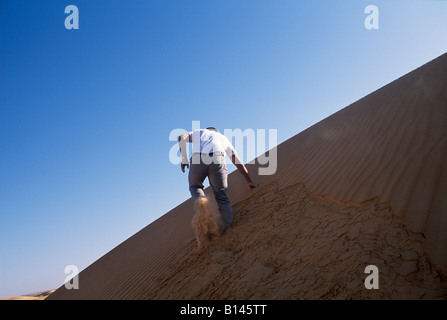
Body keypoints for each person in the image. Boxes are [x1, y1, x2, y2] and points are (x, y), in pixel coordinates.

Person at [178, 126, 256, 232]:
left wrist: (184, 158)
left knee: (194, 186)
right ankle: (225, 229)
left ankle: (201, 201)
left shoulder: (199, 132)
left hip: (198, 159)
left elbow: (181, 137)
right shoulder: (223, 138)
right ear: (216, 132)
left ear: (207, 130)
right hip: (217, 158)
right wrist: (249, 181)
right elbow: (238, 163)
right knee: (221, 196)